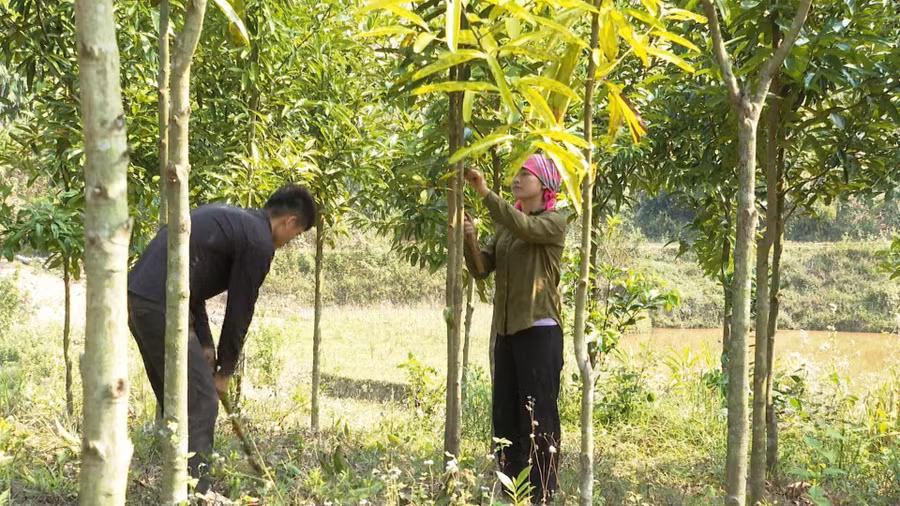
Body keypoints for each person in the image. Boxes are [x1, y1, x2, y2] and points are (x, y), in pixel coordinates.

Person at [127, 183, 317, 495]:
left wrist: (205, 346)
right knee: (201, 403)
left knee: (179, 401)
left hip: (141, 299)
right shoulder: (259, 242)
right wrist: (224, 372)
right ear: (290, 222)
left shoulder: (235, 222)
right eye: (294, 236)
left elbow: (191, 284)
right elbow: (240, 309)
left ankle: (177, 488)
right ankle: (196, 494)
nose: (287, 243)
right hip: (160, 304)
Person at [463, 154, 568, 503]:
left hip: (538, 332)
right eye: (517, 174)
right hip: (507, 332)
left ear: (545, 185)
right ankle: (511, 490)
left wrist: (484, 193)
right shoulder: (506, 225)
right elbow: (482, 268)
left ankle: (541, 493)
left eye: (527, 174)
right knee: (505, 414)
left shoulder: (555, 220)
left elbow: (526, 228)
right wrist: (471, 239)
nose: (518, 179)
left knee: (537, 416)